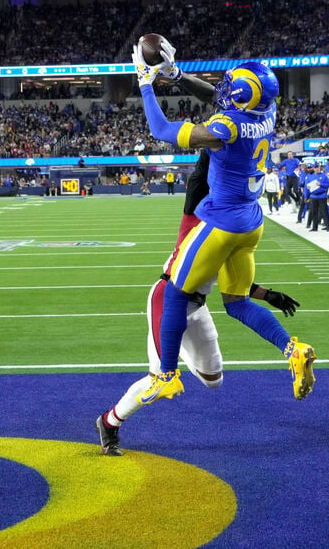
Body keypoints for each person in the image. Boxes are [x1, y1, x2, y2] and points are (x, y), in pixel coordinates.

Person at [131, 37, 316, 404]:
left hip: (221, 222)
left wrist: (145, 82)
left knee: (175, 293)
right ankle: (292, 349)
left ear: (242, 96)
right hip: (251, 221)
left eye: (233, 87)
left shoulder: (227, 126)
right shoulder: (266, 111)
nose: (225, 90)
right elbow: (219, 95)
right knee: (236, 302)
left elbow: (162, 130)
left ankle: (166, 374)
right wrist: (177, 75)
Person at [95, 150, 301, 456]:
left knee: (213, 379)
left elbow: (235, 284)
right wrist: (212, 146)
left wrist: (269, 295)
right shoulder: (198, 219)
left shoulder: (228, 230)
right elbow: (196, 183)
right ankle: (110, 422)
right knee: (156, 380)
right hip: (168, 299)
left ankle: (176, 354)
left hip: (198, 305)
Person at [304, 161, 329, 232]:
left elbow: (328, 185)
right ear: (313, 168)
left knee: (324, 212)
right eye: (315, 167)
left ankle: (328, 226)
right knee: (314, 212)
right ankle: (314, 227)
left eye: (318, 167)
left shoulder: (324, 175)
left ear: (320, 168)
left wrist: (321, 184)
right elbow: (307, 187)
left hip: (322, 196)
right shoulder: (311, 176)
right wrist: (306, 196)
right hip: (313, 196)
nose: (317, 169)